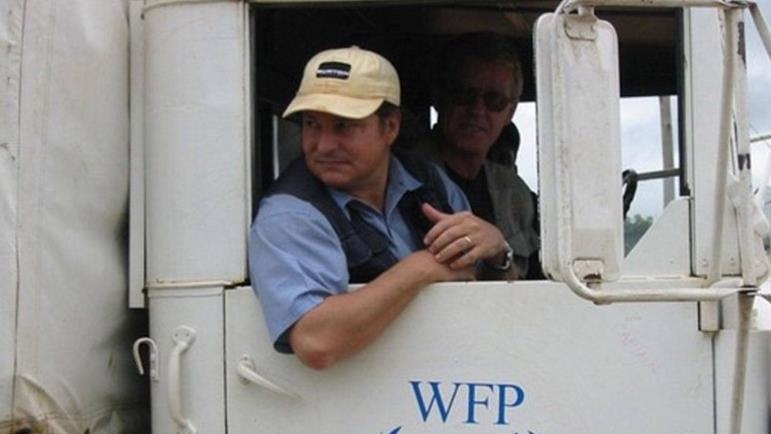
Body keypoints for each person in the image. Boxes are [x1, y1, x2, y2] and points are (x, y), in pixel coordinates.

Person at [248, 46, 513, 370]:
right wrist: (421, 268)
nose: (324, 145)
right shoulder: (290, 215)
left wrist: (497, 251)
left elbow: (488, 296)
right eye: (311, 124)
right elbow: (316, 343)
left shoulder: (431, 182)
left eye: (343, 125)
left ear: (390, 128)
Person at [419, 32, 543, 280]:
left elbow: (535, 283)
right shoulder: (402, 179)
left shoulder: (516, 195)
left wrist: (500, 255)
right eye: (464, 95)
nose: (477, 110)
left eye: (494, 99)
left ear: (510, 112)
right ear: (439, 98)